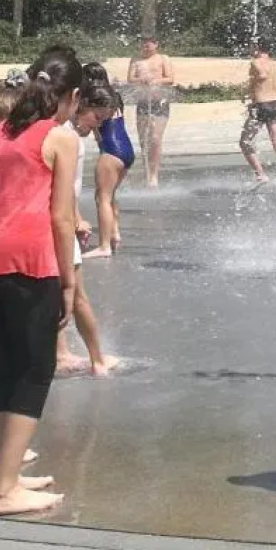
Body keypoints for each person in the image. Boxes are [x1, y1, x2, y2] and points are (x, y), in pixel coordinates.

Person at [0, 48, 83, 516]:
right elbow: (61, 218)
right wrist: (68, 282)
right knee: (35, 370)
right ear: (71, 96)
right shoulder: (60, 137)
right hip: (27, 260)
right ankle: (3, 492)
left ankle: (4, 474)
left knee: (8, 367)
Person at [55, 80, 119, 378]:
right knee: (76, 294)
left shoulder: (65, 133)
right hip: (59, 223)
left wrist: (78, 215)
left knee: (59, 291)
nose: (97, 128)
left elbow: (68, 188)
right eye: (97, 118)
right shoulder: (66, 136)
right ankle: (97, 359)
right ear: (80, 104)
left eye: (103, 122)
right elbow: (63, 186)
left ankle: (61, 352)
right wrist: (74, 218)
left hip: (64, 218)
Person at [79, 62, 133, 258]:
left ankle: (104, 246)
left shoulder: (93, 99)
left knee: (101, 198)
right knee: (110, 196)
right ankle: (114, 233)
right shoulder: (113, 96)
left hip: (110, 150)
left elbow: (85, 130)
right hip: (126, 149)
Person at [240, 41, 276, 192]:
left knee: (245, 142)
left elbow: (262, 75)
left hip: (261, 106)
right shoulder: (273, 63)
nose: (249, 49)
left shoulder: (255, 62)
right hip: (274, 104)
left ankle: (261, 174)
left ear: (257, 48)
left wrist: (251, 84)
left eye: (251, 46)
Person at [127, 36, 174, 189]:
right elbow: (130, 79)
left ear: (156, 44)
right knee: (143, 139)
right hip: (142, 102)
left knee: (155, 137)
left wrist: (155, 80)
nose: (146, 46)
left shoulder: (163, 58)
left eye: (149, 43)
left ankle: (154, 175)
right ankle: (146, 171)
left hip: (159, 102)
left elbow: (170, 78)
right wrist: (141, 80)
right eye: (143, 43)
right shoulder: (136, 60)